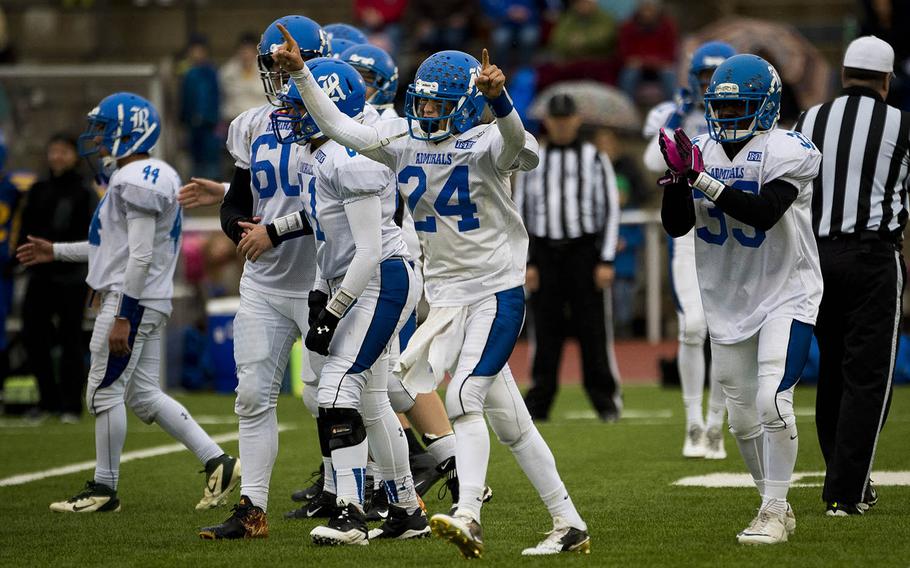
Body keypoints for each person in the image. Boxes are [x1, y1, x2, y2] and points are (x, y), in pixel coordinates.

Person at [272, 26, 590, 557]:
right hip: (446, 299)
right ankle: (568, 522)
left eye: (440, 106)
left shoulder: (487, 139)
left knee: (464, 396)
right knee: (512, 423)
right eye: (421, 103)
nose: (427, 114)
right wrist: (302, 72)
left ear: (467, 108)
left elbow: (518, 144)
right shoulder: (403, 140)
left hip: (495, 291)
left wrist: (500, 101)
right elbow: (341, 129)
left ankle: (468, 514)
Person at [17, 92, 239, 514]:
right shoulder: (148, 174)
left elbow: (138, 255)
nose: (96, 140)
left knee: (102, 392)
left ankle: (104, 488)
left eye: (104, 131)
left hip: (131, 300)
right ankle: (218, 461)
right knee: (143, 395)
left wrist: (123, 314)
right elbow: (115, 248)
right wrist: (57, 251)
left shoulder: (135, 178)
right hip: (145, 298)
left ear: (129, 132)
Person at [260, 59, 426, 545]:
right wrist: (319, 290)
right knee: (372, 401)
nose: (289, 113)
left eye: (299, 104)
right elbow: (327, 239)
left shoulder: (351, 160)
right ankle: (406, 511)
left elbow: (371, 250)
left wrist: (334, 309)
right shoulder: (320, 154)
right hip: (361, 280)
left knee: (336, 390)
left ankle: (351, 514)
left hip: (383, 280)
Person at [659, 54, 822, 544]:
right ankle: (772, 501)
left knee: (773, 399)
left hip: (786, 291)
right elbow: (677, 225)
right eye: (722, 110)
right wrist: (675, 182)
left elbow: (764, 213)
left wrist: (701, 178)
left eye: (739, 110)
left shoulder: (788, 149)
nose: (727, 119)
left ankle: (772, 509)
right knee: (741, 417)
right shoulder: (702, 147)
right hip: (727, 297)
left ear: (767, 107)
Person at [187, 15, 328, 540]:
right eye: (273, 64)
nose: (280, 73)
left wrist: (274, 232)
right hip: (266, 285)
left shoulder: (338, 122)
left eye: (290, 63)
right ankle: (253, 510)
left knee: (329, 396)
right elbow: (240, 196)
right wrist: (236, 226)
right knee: (252, 398)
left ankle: (354, 495)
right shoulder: (251, 123)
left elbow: (334, 207)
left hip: (324, 279)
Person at [795, 35, 909, 516]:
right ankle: (846, 490)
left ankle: (849, 481)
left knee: (836, 376)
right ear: (886, 81)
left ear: (843, 75)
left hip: (816, 257)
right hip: (871, 258)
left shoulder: (810, 119)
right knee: (869, 376)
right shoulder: (902, 124)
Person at [642, 40, 736, 459]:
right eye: (703, 76)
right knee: (693, 327)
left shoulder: (742, 116)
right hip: (688, 235)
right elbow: (650, 160)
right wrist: (679, 118)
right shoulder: (673, 112)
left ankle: (716, 424)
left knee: (722, 331)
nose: (708, 85)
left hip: (728, 232)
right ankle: (693, 423)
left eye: (714, 77)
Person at [513, 93, 623, 422]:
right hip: (545, 251)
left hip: (584, 251)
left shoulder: (594, 158)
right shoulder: (535, 157)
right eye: (556, 119)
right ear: (548, 121)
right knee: (545, 329)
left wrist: (605, 260)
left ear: (576, 120)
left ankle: (605, 401)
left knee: (593, 329)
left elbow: (611, 210)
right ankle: (540, 402)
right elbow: (520, 211)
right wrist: (528, 261)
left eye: (566, 118)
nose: (561, 124)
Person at [18, 134, 97, 423]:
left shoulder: (84, 192)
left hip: (71, 278)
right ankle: (46, 400)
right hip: (39, 275)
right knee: (33, 337)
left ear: (74, 156)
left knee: (70, 340)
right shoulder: (38, 189)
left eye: (63, 151)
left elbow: (91, 237)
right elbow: (25, 228)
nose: (57, 157)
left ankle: (70, 405)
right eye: (53, 151)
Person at [616, 0, 678, 103]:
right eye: (645, 8)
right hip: (637, 67)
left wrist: (657, 62)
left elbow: (670, 54)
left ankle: (672, 109)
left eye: (650, 9)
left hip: (659, 66)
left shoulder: (667, 26)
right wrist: (632, 61)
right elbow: (623, 53)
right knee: (628, 75)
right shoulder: (628, 26)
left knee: (669, 75)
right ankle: (627, 108)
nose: (647, 13)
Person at [179, 35, 222, 180]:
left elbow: (216, 97)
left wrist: (213, 118)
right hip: (192, 123)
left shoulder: (211, 72)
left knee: (211, 156)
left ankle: (211, 183)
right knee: (194, 156)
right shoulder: (188, 73)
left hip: (210, 123)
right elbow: (185, 98)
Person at [219, 33, 264, 122]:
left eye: (250, 50)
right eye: (244, 50)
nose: (246, 54)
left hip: (261, 119)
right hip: (235, 119)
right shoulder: (227, 72)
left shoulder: (266, 70)